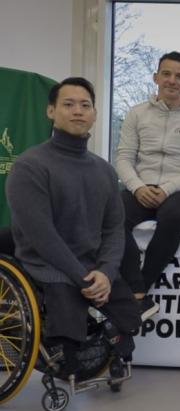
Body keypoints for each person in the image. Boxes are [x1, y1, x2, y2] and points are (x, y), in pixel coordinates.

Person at [6, 77, 141, 375]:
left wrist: (105, 272)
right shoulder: (30, 166)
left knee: (128, 313)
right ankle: (65, 361)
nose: (77, 111)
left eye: (85, 105)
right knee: (66, 309)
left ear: (94, 113)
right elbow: (42, 237)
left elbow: (113, 230)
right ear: (51, 111)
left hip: (93, 266)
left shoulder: (104, 171)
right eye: (68, 104)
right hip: (48, 264)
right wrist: (84, 279)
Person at [116, 51, 180, 318]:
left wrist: (167, 189)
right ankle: (136, 292)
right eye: (167, 74)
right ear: (156, 77)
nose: (172, 80)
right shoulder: (137, 114)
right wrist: (137, 187)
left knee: (172, 217)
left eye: (179, 76)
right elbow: (124, 158)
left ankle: (139, 290)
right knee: (112, 218)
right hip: (139, 187)